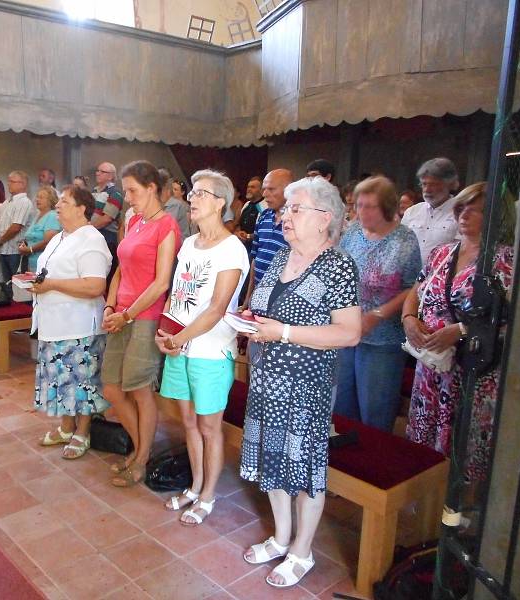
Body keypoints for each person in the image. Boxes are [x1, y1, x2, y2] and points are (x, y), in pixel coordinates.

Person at [239, 177, 360, 588]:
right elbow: (266, 311)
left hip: (306, 387)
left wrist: (284, 333)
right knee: (273, 461)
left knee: (305, 467)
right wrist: (250, 323)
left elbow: (349, 332)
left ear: (325, 219)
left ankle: (302, 551)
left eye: (295, 209)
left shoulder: (338, 265)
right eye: (285, 209)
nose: (284, 216)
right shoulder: (280, 258)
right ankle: (281, 536)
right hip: (267, 380)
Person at [404, 182, 515, 483]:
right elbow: (417, 289)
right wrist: (409, 318)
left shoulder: (505, 259)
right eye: (461, 207)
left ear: (495, 215)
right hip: (432, 363)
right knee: (425, 434)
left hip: (471, 367)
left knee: (461, 438)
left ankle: (457, 506)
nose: (465, 215)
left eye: (475, 209)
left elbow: (510, 314)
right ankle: (426, 498)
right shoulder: (442, 252)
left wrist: (461, 330)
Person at [156, 170, 249, 525]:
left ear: (220, 202)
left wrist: (178, 339)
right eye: (192, 193)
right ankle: (194, 486)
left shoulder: (232, 249)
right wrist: (164, 332)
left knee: (210, 428)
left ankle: (209, 495)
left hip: (210, 351)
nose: (192, 199)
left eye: (200, 194)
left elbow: (217, 308)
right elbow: (177, 295)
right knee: (189, 423)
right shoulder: (189, 244)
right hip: (180, 346)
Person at [101, 160, 181, 487]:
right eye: (126, 190)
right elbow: (120, 267)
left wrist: (128, 313)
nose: (128, 196)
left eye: (133, 190)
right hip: (120, 312)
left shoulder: (167, 226)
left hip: (144, 316)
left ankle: (141, 458)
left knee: (138, 389)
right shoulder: (134, 220)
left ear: (151, 188)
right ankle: (139, 447)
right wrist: (110, 305)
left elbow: (162, 283)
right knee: (112, 388)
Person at [334, 176, 422, 432]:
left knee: (375, 412)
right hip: (346, 333)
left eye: (369, 206)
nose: (361, 212)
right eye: (358, 205)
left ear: (387, 207)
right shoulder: (352, 234)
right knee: (341, 406)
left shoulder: (404, 240)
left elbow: (413, 287)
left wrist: (377, 314)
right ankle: (344, 466)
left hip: (382, 339)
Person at [31, 185, 113, 459]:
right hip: (54, 322)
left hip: (79, 324)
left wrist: (51, 284)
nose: (58, 206)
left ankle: (83, 432)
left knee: (82, 381)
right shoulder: (60, 238)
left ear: (82, 208)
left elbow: (94, 285)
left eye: (64, 202)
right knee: (59, 379)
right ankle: (67, 426)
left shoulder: (91, 240)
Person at [240, 169, 293, 308]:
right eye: (264, 189)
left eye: (271, 189)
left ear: (288, 190)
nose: (264, 194)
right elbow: (255, 260)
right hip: (257, 299)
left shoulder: (296, 222)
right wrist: (248, 300)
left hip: (282, 302)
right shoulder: (264, 216)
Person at [401, 157, 460, 262]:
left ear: (449, 184)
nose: (427, 190)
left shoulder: (460, 212)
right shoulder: (412, 212)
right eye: (424, 184)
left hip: (442, 276)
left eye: (434, 184)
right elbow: (401, 247)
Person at [0, 170, 33, 282]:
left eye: (12, 181)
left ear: (22, 184)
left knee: (16, 285)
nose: (8, 184)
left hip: (15, 251)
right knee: (6, 284)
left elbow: (16, 226)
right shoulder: (8, 201)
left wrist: (1, 240)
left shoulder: (24, 202)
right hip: (4, 250)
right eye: (8, 181)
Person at [19, 185, 61, 272]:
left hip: (44, 264)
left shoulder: (52, 215)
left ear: (50, 200)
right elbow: (31, 236)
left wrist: (30, 250)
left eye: (41, 197)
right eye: (37, 197)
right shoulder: (37, 215)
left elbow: (49, 242)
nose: (37, 200)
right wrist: (23, 245)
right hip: (31, 262)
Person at [91, 162, 124, 256]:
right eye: (97, 170)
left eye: (102, 171)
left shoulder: (115, 193)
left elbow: (106, 219)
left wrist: (88, 228)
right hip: (93, 236)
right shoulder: (93, 191)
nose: (97, 173)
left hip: (107, 239)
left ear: (110, 176)